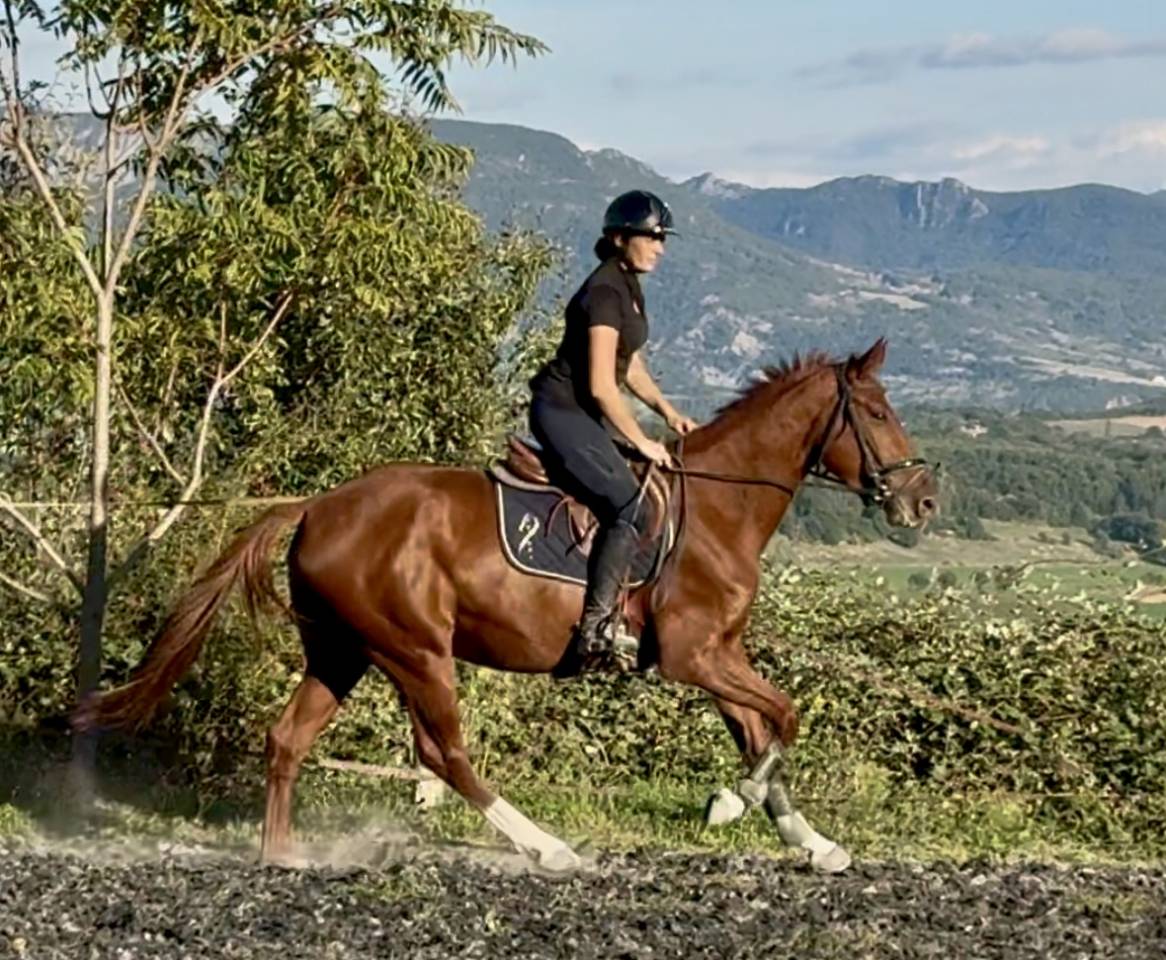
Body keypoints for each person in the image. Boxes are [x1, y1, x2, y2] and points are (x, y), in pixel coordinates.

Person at [528, 189, 698, 672]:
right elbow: (604, 386)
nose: (660, 246)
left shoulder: (629, 286)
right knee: (628, 505)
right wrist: (642, 440)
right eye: (652, 236)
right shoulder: (603, 293)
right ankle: (596, 629)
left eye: (663, 238)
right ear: (621, 238)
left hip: (586, 412)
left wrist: (667, 411)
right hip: (563, 411)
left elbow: (631, 366)